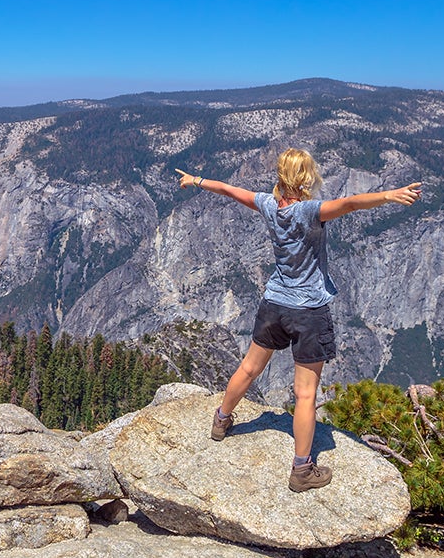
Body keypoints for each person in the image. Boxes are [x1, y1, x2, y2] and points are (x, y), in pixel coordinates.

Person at [176, 149, 422, 491]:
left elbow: (230, 190)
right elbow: (349, 204)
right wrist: (387, 196)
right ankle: (302, 470)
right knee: (305, 395)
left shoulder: (267, 204)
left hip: (274, 303)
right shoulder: (309, 211)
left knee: (249, 368)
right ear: (306, 179)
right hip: (308, 310)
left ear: (279, 176)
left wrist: (196, 180)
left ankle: (221, 421)